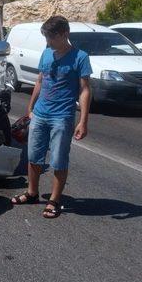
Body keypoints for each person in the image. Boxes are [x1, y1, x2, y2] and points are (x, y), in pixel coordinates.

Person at [11, 15, 92, 218]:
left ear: (65, 34)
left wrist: (83, 121)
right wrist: (31, 106)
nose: (48, 42)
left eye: (51, 38)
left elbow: (84, 90)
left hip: (62, 117)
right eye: (46, 38)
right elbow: (40, 80)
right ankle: (32, 193)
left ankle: (54, 200)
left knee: (58, 160)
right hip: (40, 114)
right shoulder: (47, 53)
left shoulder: (80, 57)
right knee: (33, 157)